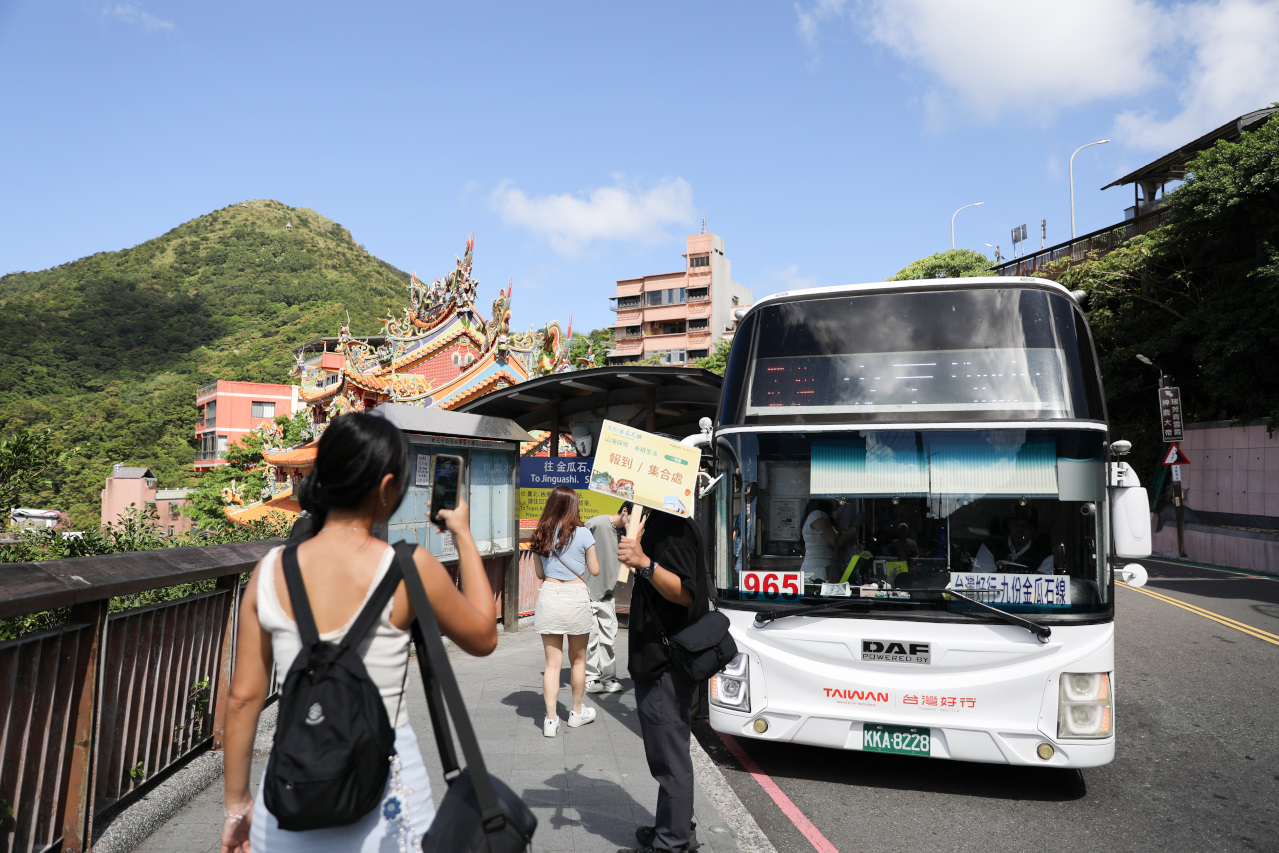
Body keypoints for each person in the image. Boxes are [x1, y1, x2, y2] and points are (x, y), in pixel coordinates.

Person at [220, 412, 498, 853]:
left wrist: (237, 806)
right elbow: (484, 636)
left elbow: (242, 699)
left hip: (291, 791)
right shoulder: (408, 568)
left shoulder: (270, 570)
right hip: (388, 799)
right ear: (387, 489)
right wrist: (462, 534)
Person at [617, 509, 706, 853]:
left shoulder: (673, 524)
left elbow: (685, 592)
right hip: (656, 657)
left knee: (669, 759)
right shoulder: (656, 518)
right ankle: (674, 827)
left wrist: (643, 561)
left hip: (664, 661)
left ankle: (673, 843)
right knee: (667, 755)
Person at [531, 485, 601, 736]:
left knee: (552, 664)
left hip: (549, 596)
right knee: (578, 660)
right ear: (574, 506)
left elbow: (540, 574)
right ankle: (577, 712)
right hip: (575, 597)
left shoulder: (541, 533)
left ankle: (550, 720)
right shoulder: (583, 534)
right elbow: (594, 570)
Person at [583, 501, 632, 694]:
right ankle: (591, 677)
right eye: (633, 518)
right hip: (588, 590)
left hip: (608, 593)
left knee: (609, 637)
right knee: (592, 638)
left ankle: (608, 677)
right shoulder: (597, 523)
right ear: (625, 511)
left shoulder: (628, 536)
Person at [975, 504, 1054, 573]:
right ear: (1009, 524)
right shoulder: (990, 547)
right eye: (1016, 525)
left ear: (1033, 530)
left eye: (1025, 526)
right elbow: (981, 580)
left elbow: (1043, 585)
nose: (1020, 530)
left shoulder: (1044, 555)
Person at [800, 499, 857, 582]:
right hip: (818, 570)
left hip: (818, 567)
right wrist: (855, 527)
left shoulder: (815, 516)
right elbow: (835, 543)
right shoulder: (817, 515)